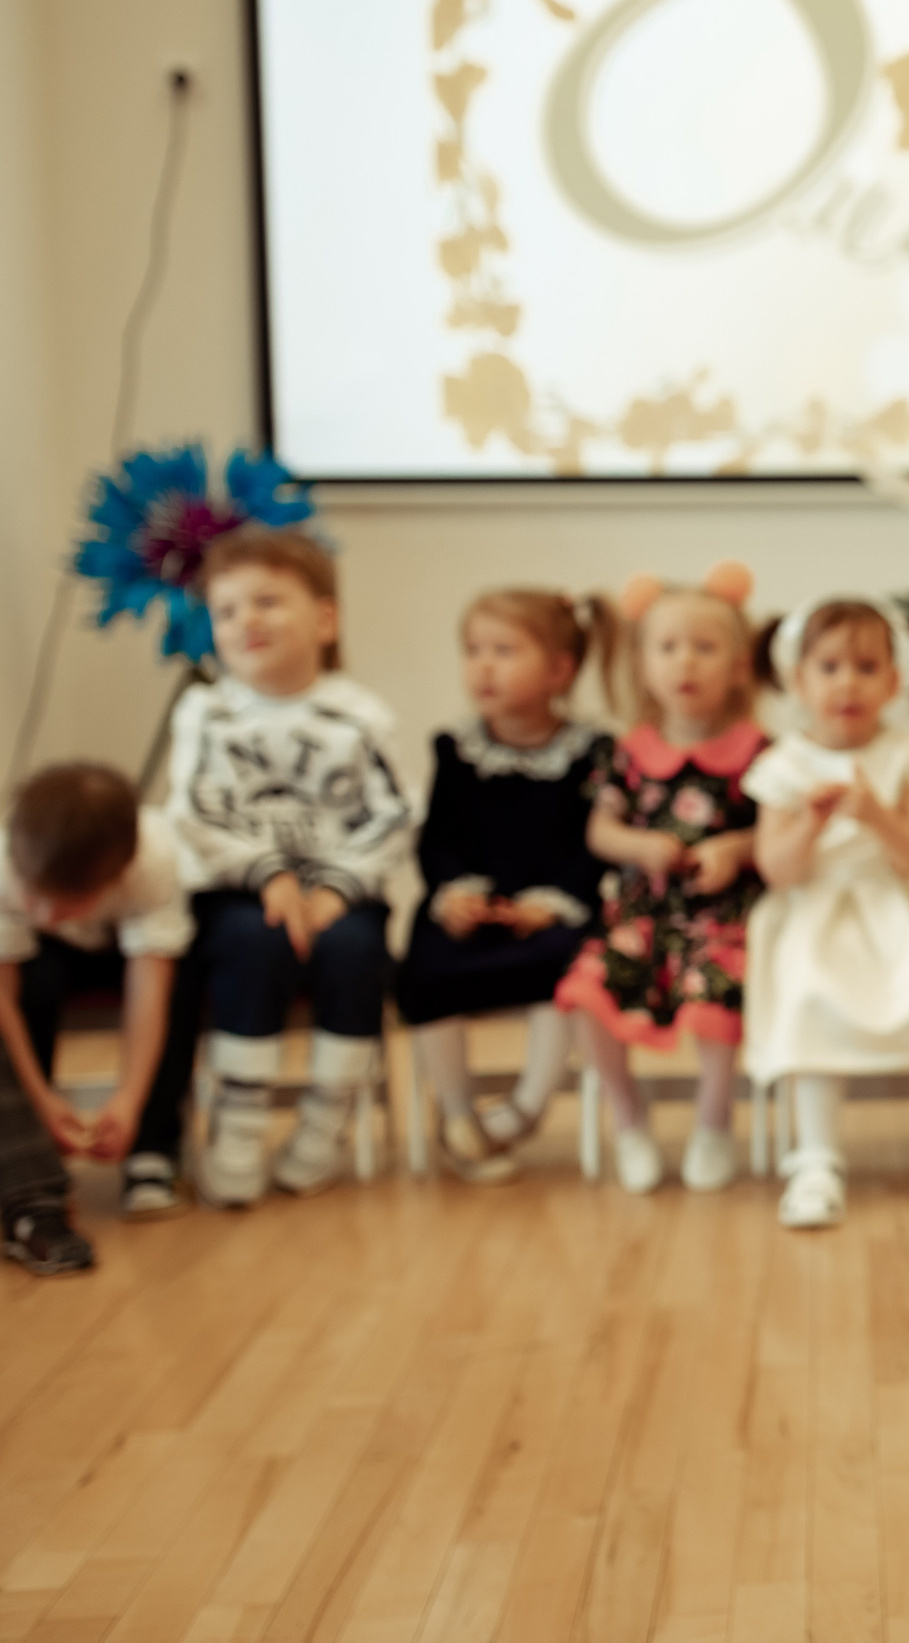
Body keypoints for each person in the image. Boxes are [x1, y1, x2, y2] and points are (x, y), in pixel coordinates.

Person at [167, 528, 412, 1208]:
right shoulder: (205, 711)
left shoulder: (359, 714)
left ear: (324, 620)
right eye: (227, 610)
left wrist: (337, 887)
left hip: (343, 891)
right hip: (240, 892)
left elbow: (394, 814)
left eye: (268, 601)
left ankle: (324, 1123)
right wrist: (269, 872)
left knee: (356, 951)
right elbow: (189, 812)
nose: (247, 620)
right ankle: (240, 1126)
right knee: (251, 942)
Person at [745, 596, 909, 1226]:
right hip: (817, 907)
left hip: (895, 901)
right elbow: (777, 868)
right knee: (807, 988)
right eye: (829, 667)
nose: (848, 682)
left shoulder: (908, 755)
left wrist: (872, 812)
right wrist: (809, 820)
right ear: (798, 681)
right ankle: (815, 1159)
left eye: (866, 667)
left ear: (894, 681)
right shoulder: (782, 765)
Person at [555, 566, 767, 1196]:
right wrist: (638, 844)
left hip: (723, 921)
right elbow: (600, 832)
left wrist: (734, 846)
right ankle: (629, 1124)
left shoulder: (759, 752)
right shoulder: (628, 752)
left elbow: (774, 833)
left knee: (721, 989)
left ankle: (713, 1120)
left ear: (737, 666)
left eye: (705, 648)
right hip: (641, 919)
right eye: (668, 647)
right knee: (587, 989)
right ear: (643, 665)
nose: (686, 663)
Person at [397, 589, 617, 1182]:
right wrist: (454, 893)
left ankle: (524, 1110)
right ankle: (459, 1113)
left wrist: (552, 902)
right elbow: (436, 839)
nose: (483, 666)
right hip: (470, 906)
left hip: (551, 913)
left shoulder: (592, 753)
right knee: (426, 963)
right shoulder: (455, 748)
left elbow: (590, 845)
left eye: (503, 650)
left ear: (559, 671)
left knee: (568, 970)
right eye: (473, 651)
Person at [0, 763, 198, 1267]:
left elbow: (148, 988)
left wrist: (128, 1101)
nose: (44, 913)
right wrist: (43, 1102)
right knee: (34, 987)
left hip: (120, 951)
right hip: (45, 960)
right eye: (34, 897)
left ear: (119, 874)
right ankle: (33, 1158)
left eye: (64, 902)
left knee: (181, 990)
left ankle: (152, 1148)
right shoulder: (5, 863)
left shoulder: (154, 858)